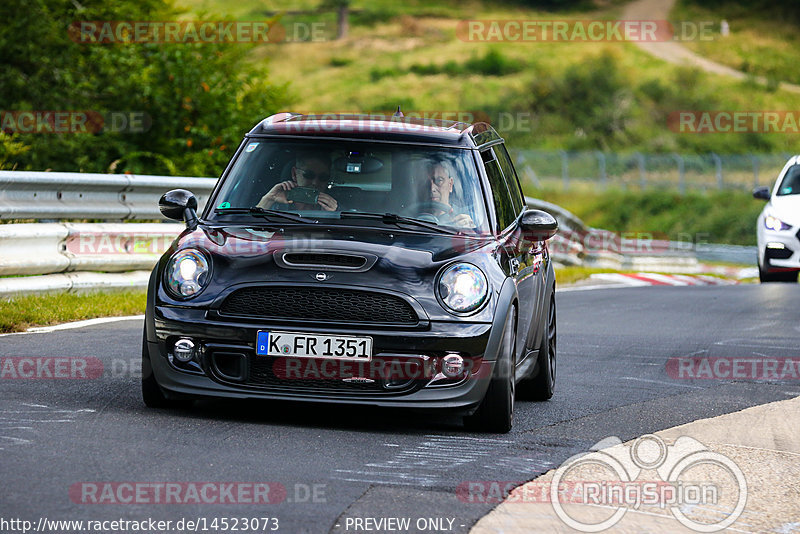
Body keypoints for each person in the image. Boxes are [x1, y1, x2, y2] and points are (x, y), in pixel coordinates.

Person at [257, 152, 339, 211]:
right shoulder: (276, 207)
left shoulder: (334, 208)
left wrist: (332, 216)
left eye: (323, 177)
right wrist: (268, 200)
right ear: (294, 174)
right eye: (308, 175)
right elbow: (252, 228)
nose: (315, 183)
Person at [420, 160, 474, 228]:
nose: (432, 188)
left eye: (439, 180)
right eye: (427, 182)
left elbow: (480, 234)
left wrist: (469, 229)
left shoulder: (464, 216)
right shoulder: (408, 218)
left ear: (450, 184)